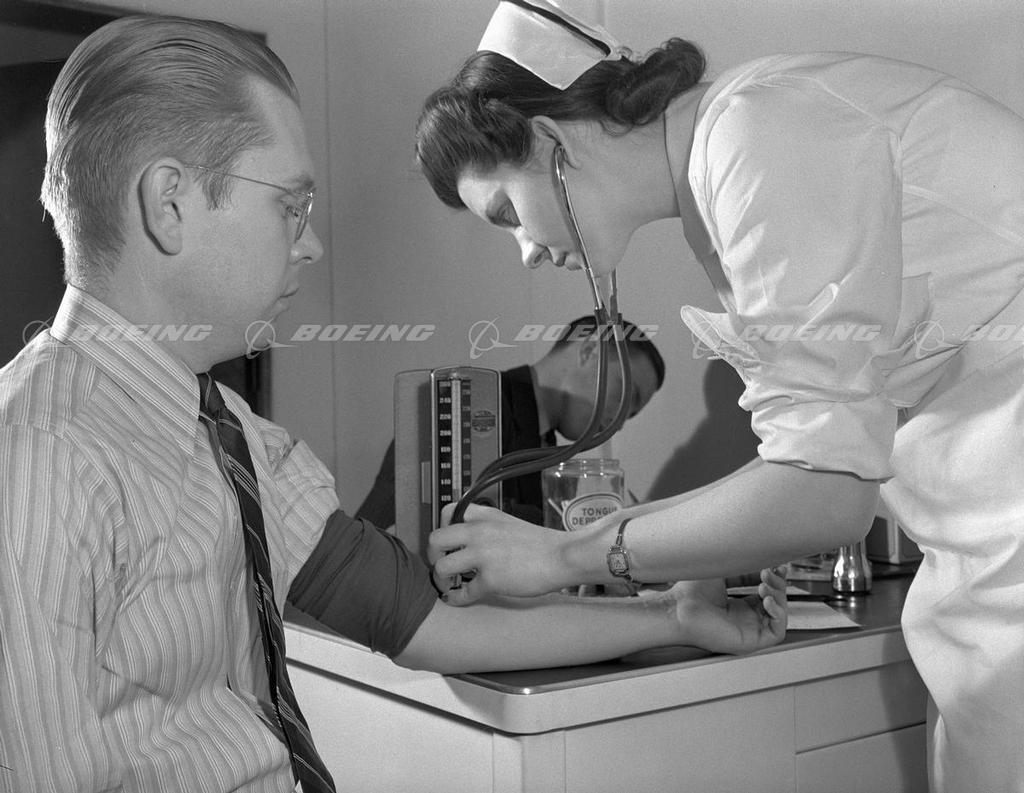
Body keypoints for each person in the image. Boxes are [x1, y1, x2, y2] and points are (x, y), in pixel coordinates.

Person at [0, 15, 788, 793]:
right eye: (290, 205)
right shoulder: (35, 453)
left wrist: (674, 618)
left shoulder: (231, 437)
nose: (310, 243)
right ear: (169, 203)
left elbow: (422, 620)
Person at [416, 1, 1024, 790]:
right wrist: (684, 557)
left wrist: (561, 555)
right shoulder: (733, 159)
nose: (526, 251)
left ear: (550, 143)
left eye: (507, 213)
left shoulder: (756, 135)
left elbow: (824, 494)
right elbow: (807, 460)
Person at [356, 314, 665, 527]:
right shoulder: (469, 403)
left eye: (632, 414)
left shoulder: (547, 451)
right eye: (627, 396)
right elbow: (424, 525)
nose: (620, 422)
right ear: (590, 350)